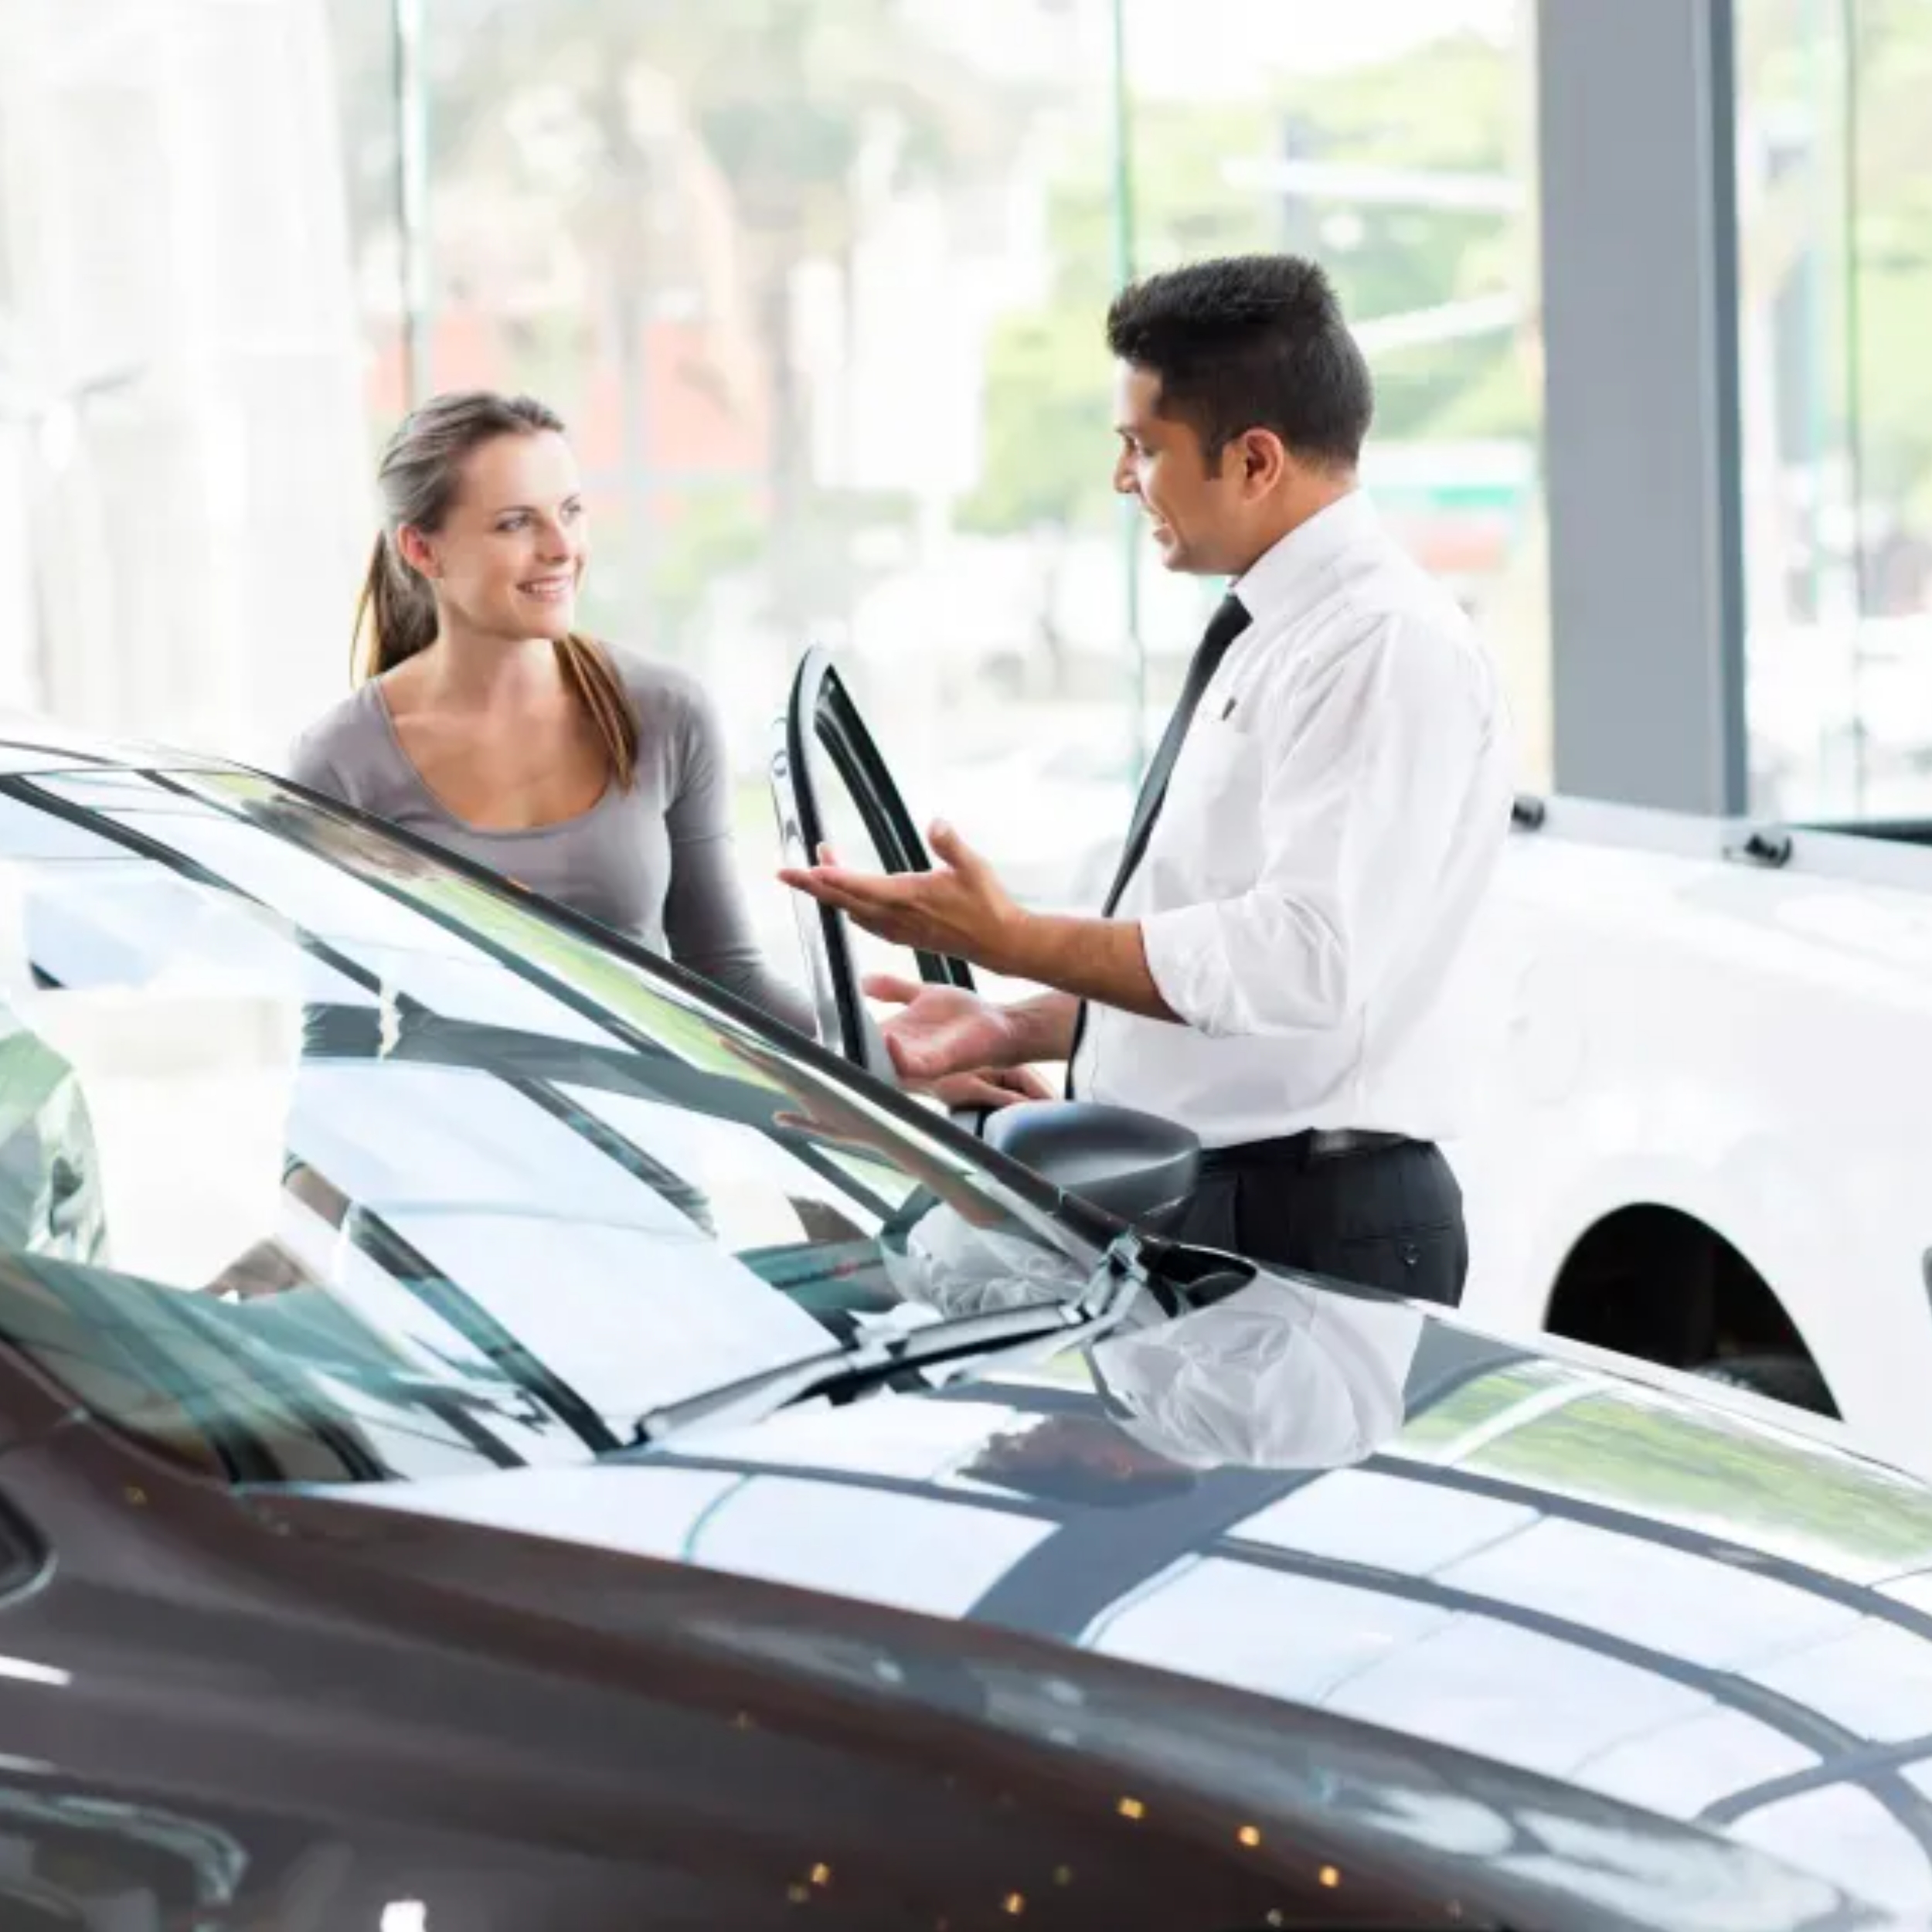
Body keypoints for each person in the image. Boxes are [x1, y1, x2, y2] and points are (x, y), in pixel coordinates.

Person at [781, 255, 1515, 1305]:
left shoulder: (1379, 646)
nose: (1125, 479)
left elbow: (1306, 960)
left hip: (1307, 1217)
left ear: (1255, 459)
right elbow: (1212, 952)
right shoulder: (1282, 630)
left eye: (1142, 447)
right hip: (1225, 1199)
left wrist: (1012, 934)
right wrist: (1021, 1020)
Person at [284, 389, 815, 1034]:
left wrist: (885, 1056)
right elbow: (340, 1034)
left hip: (655, 1132)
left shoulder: (666, 713)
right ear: (423, 551)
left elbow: (728, 979)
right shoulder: (342, 764)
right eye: (516, 523)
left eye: (571, 511)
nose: (561, 547)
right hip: (454, 1131)